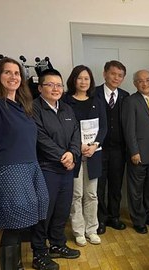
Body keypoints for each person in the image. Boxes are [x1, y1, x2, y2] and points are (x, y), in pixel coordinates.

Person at [0, 57, 49, 270]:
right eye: (7, 72)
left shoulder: (24, 106)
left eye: (17, 73)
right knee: (13, 224)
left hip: (31, 167)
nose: (13, 77)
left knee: (34, 213)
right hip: (9, 170)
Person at [31, 69, 81, 270]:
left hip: (67, 169)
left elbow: (76, 134)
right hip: (46, 169)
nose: (55, 89)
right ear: (40, 88)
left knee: (62, 210)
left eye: (59, 85)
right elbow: (40, 138)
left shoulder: (67, 109)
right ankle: (39, 253)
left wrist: (73, 153)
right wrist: (64, 156)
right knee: (45, 212)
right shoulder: (34, 108)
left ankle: (57, 245)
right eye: (50, 85)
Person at [64, 65, 107, 247]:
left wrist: (95, 144)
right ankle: (79, 231)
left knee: (91, 194)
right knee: (76, 194)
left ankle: (92, 229)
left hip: (93, 153)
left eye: (87, 78)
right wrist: (78, 146)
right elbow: (64, 128)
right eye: (80, 78)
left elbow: (103, 127)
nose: (83, 82)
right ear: (74, 80)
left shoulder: (97, 100)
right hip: (74, 153)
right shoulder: (65, 101)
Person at [122, 70, 149, 234]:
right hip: (138, 154)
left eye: (147, 80)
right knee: (136, 189)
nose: (145, 84)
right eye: (140, 81)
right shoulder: (131, 102)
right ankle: (138, 220)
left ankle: (148, 215)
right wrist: (134, 151)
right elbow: (129, 129)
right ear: (135, 84)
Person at [95, 60, 130, 235]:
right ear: (105, 74)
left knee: (116, 185)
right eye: (113, 74)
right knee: (99, 187)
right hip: (98, 150)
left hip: (118, 149)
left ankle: (114, 217)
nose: (116, 78)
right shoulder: (93, 94)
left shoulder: (126, 96)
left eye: (120, 75)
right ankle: (100, 219)